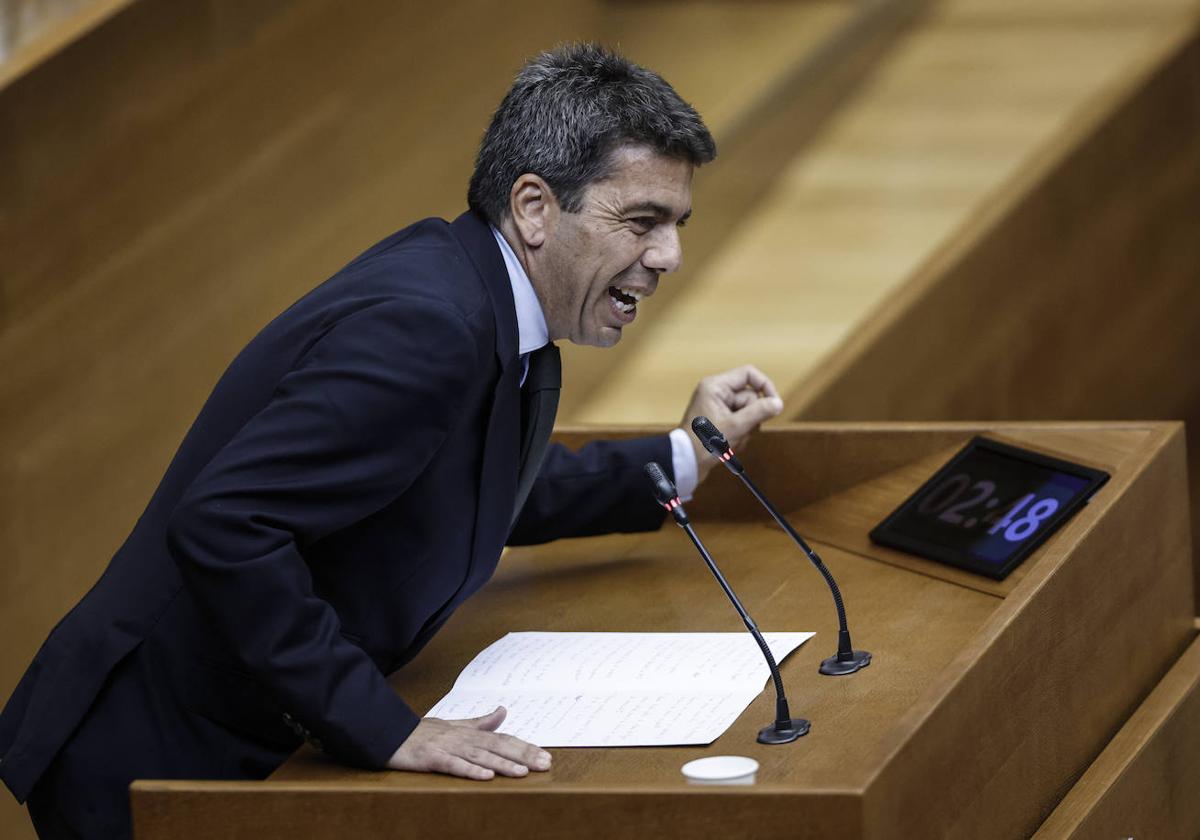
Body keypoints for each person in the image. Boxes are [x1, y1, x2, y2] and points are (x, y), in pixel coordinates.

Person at [0, 43, 784, 839]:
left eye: (677, 225)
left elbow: (469, 484)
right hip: (160, 755)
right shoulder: (429, 325)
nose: (669, 257)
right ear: (535, 207)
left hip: (237, 741)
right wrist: (387, 728)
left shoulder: (486, 297)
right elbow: (227, 523)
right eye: (642, 222)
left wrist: (685, 454)